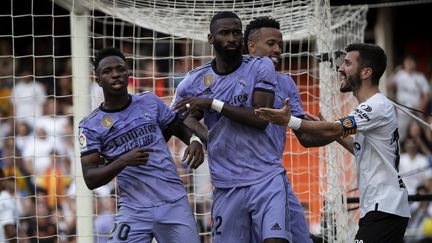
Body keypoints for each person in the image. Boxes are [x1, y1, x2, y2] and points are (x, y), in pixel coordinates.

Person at [255, 43, 411, 242]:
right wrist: (336, 135)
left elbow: (334, 128)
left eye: (347, 63)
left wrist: (289, 121)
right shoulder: (372, 107)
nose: (340, 68)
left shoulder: (377, 105)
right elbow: (357, 147)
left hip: (385, 208)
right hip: (382, 208)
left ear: (365, 72)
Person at [173, 11, 292, 243]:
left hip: (266, 179)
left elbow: (260, 118)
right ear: (211, 38)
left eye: (236, 33)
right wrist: (195, 139)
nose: (231, 38)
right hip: (226, 184)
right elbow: (178, 118)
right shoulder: (195, 80)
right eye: (224, 33)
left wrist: (212, 104)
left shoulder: (260, 66)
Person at [78, 47, 203, 243]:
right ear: (98, 80)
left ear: (128, 73)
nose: (116, 74)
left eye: (120, 69)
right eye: (107, 71)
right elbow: (90, 179)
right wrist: (123, 161)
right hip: (134, 210)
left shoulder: (149, 101)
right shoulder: (90, 126)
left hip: (173, 202)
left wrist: (194, 140)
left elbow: (177, 126)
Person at [244, 16, 337, 242]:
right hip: (236, 182)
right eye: (271, 44)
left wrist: (336, 132)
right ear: (251, 46)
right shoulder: (230, 80)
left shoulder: (285, 83)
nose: (278, 50)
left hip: (274, 178)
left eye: (280, 45)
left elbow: (304, 136)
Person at [387, 55, 429, 143]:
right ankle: (400, 153)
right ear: (404, 63)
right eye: (407, 62)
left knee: (424, 131)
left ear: (414, 64)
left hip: (416, 109)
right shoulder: (400, 75)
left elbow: (426, 94)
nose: (409, 64)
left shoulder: (419, 76)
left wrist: (421, 106)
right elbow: (388, 85)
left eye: (411, 62)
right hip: (403, 110)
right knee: (401, 135)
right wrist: (395, 72)